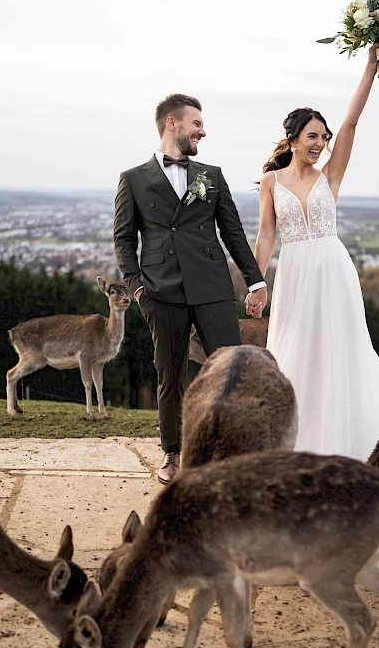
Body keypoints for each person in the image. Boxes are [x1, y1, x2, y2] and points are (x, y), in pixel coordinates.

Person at [252, 44, 379, 461]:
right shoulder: (271, 181)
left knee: (339, 350)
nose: (320, 143)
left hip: (332, 268)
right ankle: (294, 441)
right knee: (294, 352)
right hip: (294, 273)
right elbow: (267, 236)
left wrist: (371, 66)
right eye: (312, 137)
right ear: (293, 139)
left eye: (324, 137)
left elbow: (352, 123)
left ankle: (347, 439)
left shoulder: (330, 175)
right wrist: (256, 281)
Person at [114, 93, 267, 483]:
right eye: (197, 123)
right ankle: (172, 454)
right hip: (160, 291)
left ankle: (232, 454)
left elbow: (233, 233)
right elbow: (123, 240)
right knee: (171, 377)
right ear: (173, 124)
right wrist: (136, 288)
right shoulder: (132, 179)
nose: (203, 130)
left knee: (233, 372)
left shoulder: (211, 175)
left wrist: (256, 280)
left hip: (213, 286)